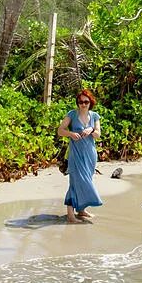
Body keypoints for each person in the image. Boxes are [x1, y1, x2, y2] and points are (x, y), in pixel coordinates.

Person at [57, 89, 103, 223]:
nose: (83, 104)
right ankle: (71, 215)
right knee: (75, 182)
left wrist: (92, 130)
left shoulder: (94, 116)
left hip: (90, 153)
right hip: (75, 154)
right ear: (77, 103)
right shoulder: (72, 114)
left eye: (86, 102)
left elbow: (98, 134)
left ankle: (81, 210)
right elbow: (60, 131)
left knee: (86, 180)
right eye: (80, 102)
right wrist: (71, 134)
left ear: (90, 102)